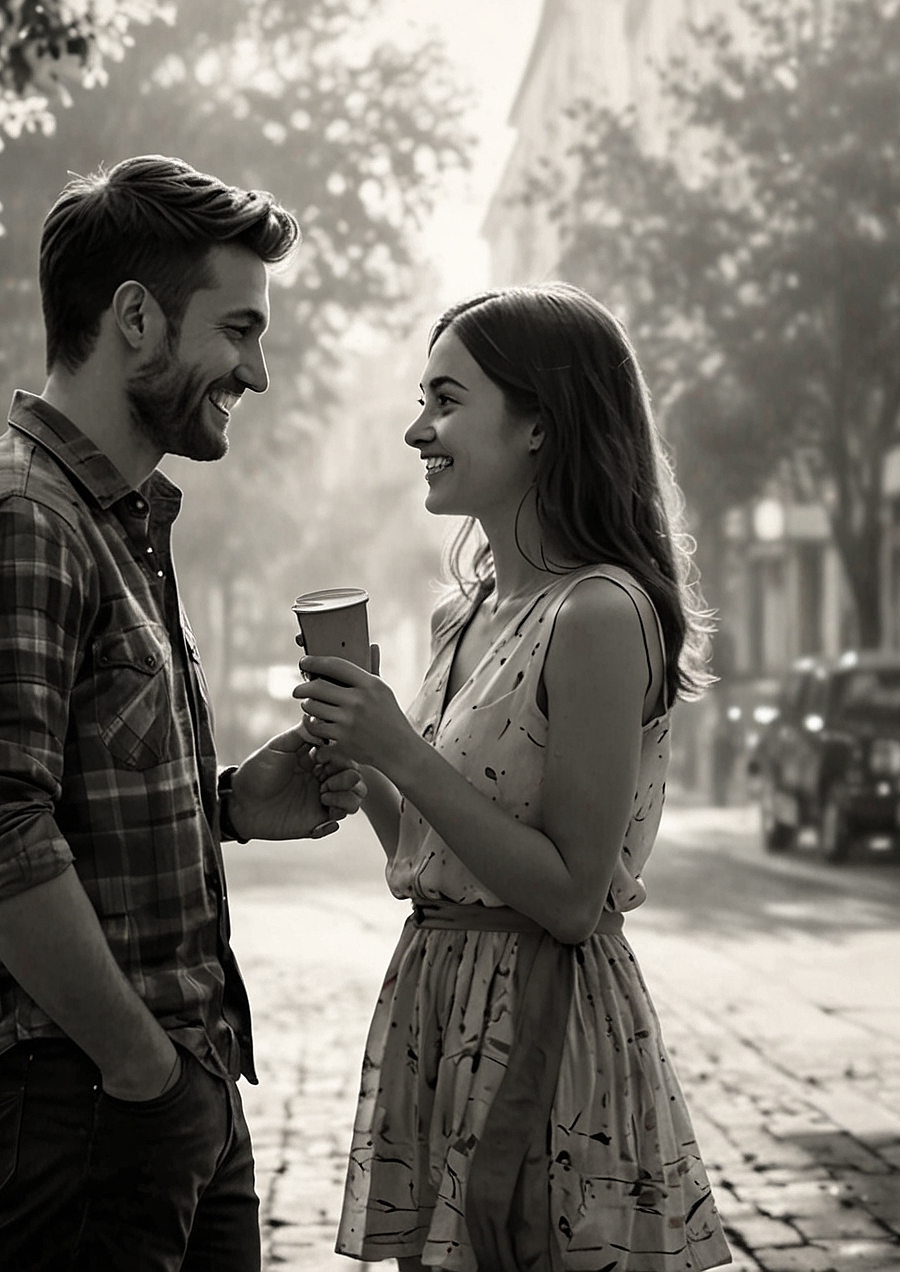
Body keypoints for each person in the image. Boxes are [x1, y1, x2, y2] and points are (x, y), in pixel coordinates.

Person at [0, 155, 367, 1272]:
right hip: (86, 1088)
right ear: (138, 319)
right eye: (239, 329)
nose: (257, 369)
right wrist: (140, 1068)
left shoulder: (109, 519)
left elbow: (66, 795)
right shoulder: (17, 519)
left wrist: (235, 804)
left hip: (157, 1082)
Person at [294, 285, 733, 1271]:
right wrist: (361, 768)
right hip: (441, 1009)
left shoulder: (598, 615)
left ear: (538, 422)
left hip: (545, 1031)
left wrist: (399, 749)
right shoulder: (467, 613)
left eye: (445, 400)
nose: (418, 428)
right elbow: (435, 853)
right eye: (420, 400)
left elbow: (572, 898)